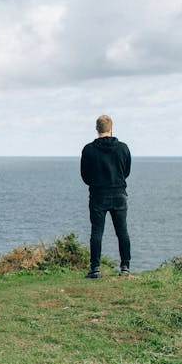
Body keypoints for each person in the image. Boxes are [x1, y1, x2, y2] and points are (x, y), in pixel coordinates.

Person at [80, 114, 132, 279]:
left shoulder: (88, 149)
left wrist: (96, 183)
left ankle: (95, 269)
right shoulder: (123, 148)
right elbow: (126, 172)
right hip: (118, 193)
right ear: (111, 128)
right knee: (122, 231)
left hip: (98, 194)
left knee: (97, 232)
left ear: (97, 129)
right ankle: (125, 267)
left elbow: (85, 176)